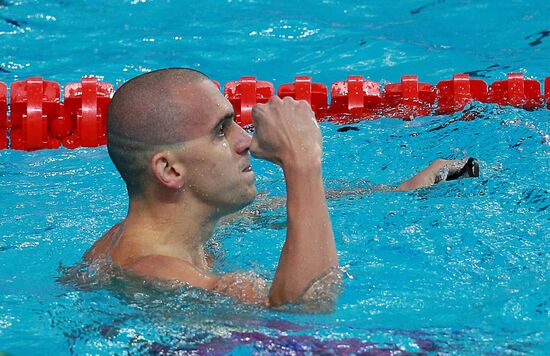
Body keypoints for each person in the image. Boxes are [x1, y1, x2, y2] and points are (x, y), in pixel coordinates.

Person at [83, 68, 479, 309]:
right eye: (222, 130)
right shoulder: (157, 275)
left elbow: (268, 210)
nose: (245, 141)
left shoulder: (165, 229)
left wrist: (399, 190)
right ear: (169, 170)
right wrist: (302, 161)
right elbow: (307, 309)